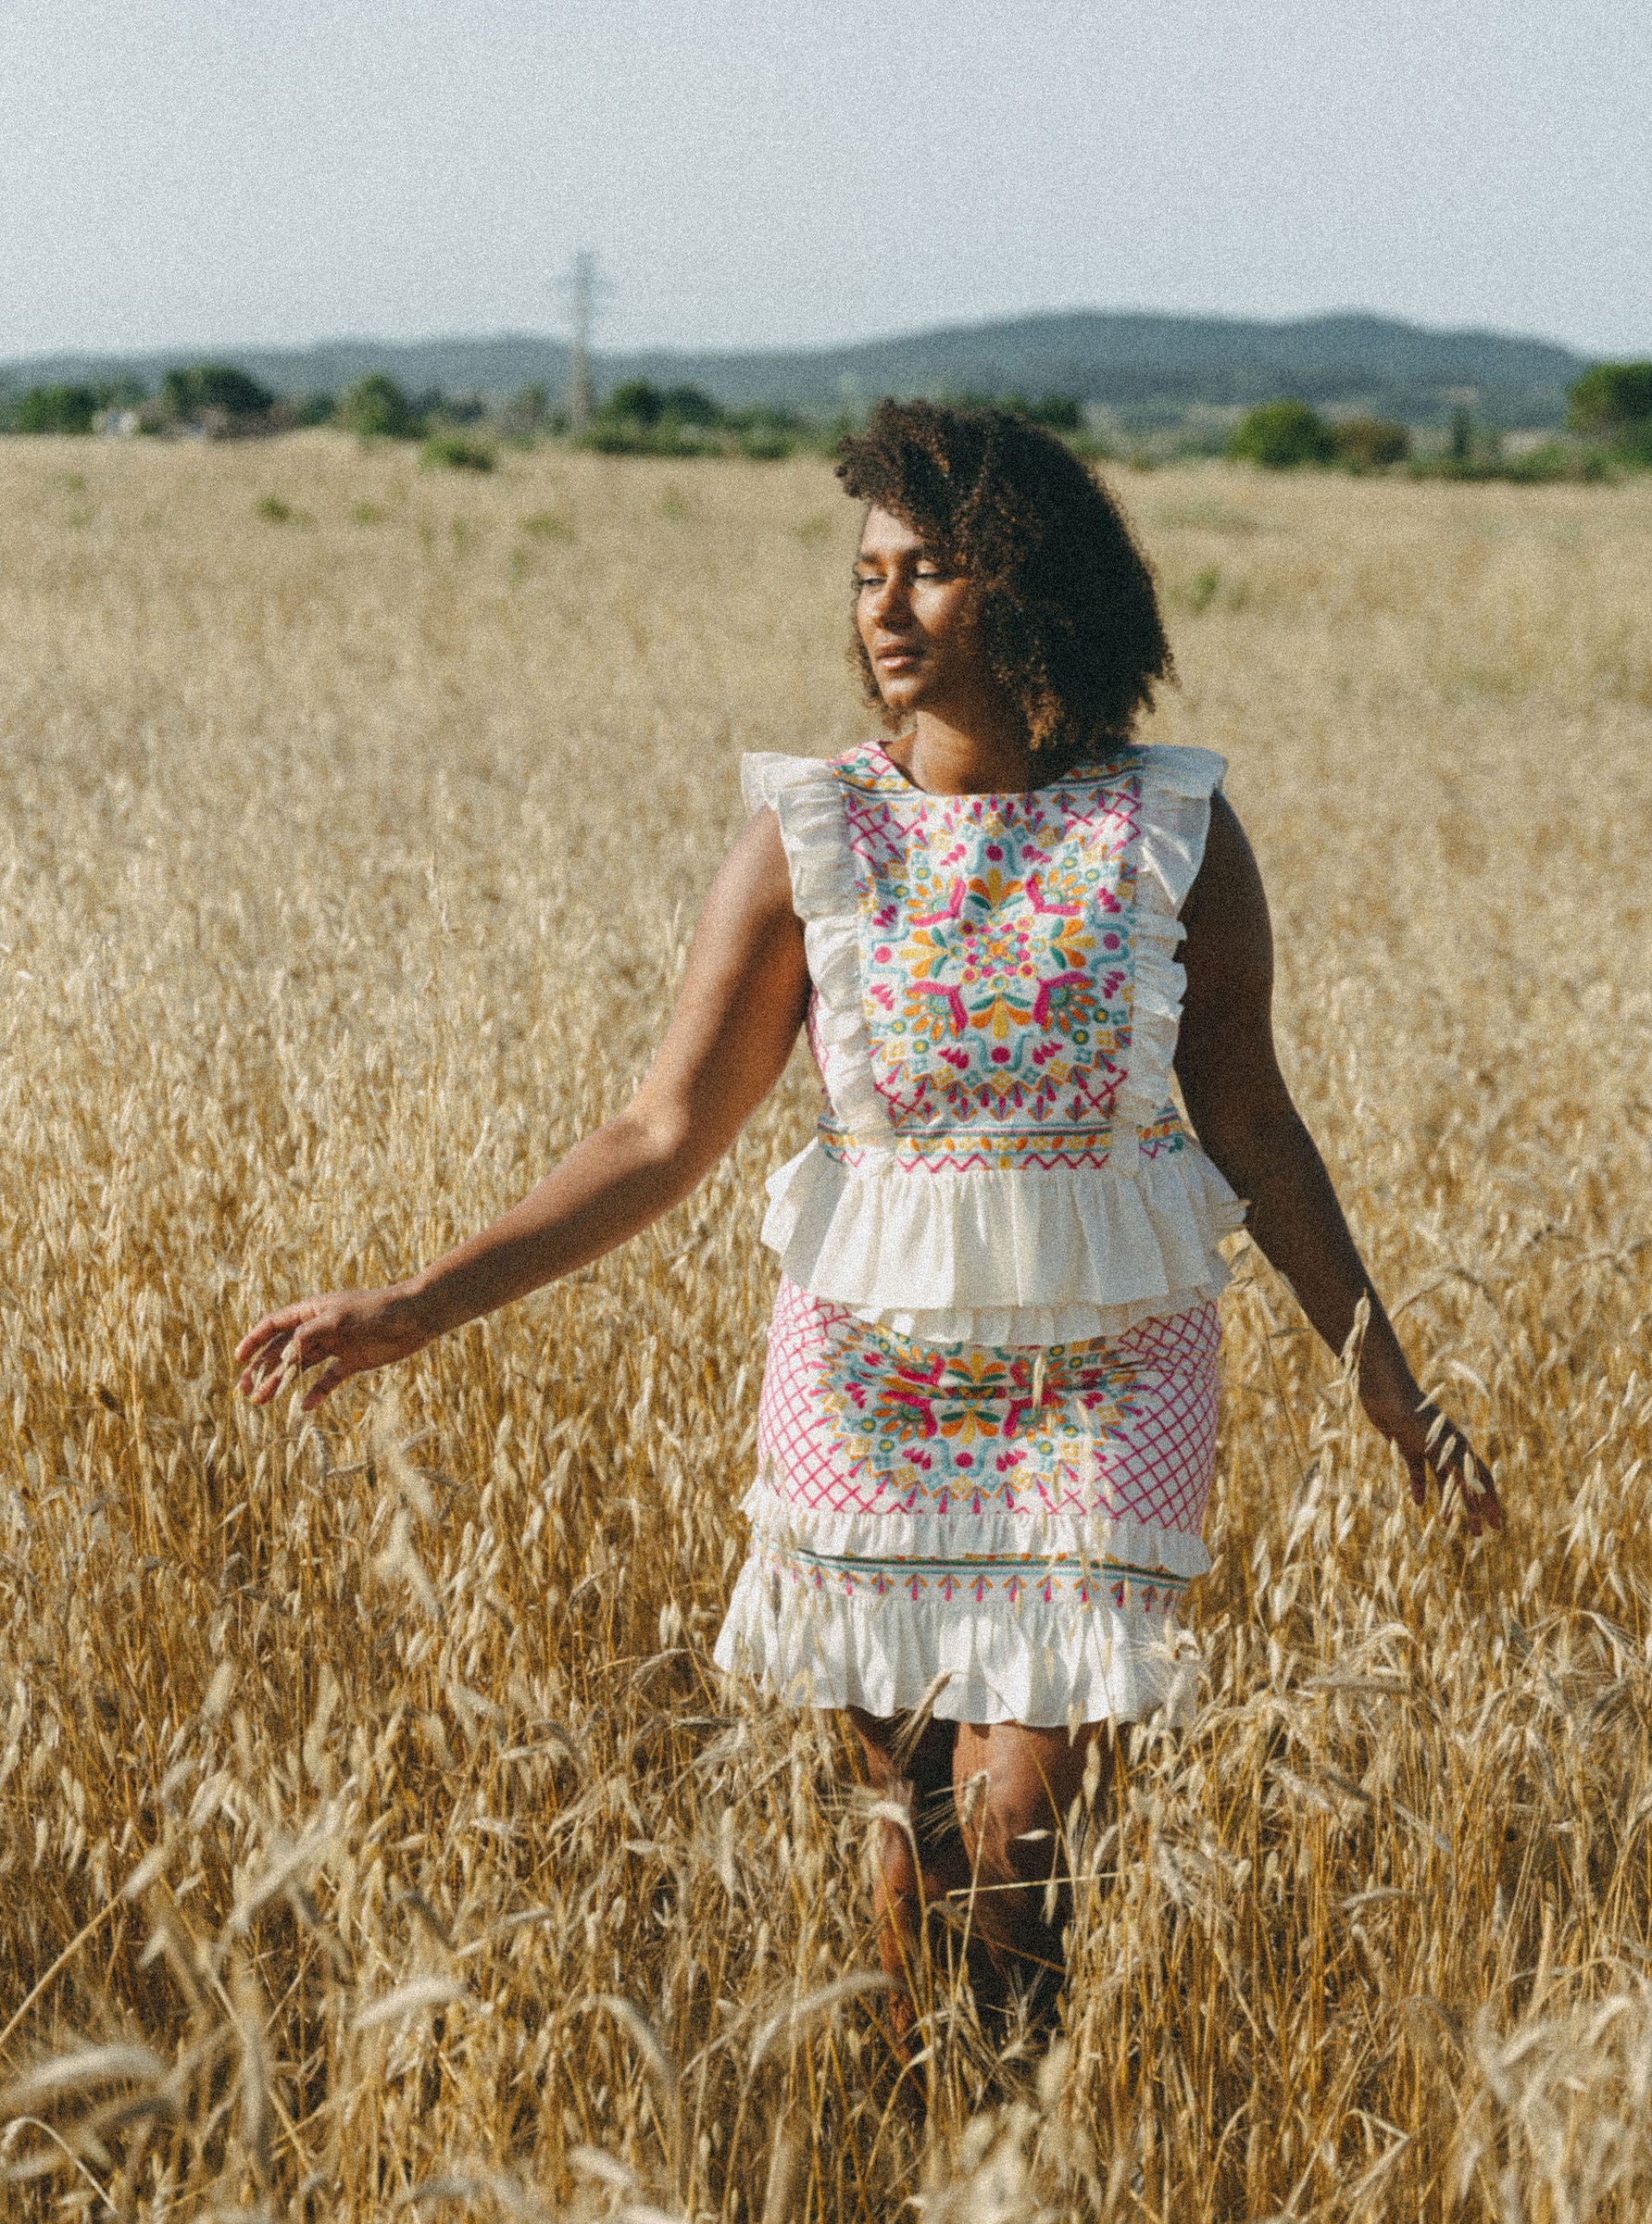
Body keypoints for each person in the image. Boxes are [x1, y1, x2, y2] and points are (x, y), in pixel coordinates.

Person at [237, 400, 1500, 2066]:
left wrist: (1387, 1384)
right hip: (870, 1374)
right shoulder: (811, 835)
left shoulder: (1168, 835)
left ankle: (1017, 2157)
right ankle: (930, 2169)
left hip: (1108, 1371)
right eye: (868, 576)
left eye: (933, 572)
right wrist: (423, 1300)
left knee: (1021, 1832)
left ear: (1032, 592)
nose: (885, 612)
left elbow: (1253, 1129)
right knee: (906, 1836)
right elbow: (663, 1129)